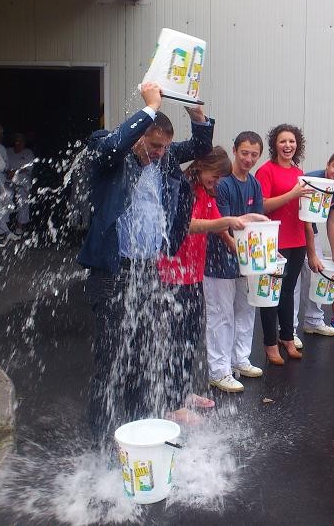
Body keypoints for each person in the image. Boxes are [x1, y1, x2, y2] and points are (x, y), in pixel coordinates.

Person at [78, 82, 214, 444]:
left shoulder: (164, 157)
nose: (160, 153)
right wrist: (151, 107)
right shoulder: (111, 152)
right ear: (138, 136)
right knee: (111, 361)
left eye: (165, 147)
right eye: (154, 145)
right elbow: (112, 146)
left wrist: (197, 114)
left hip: (148, 269)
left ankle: (138, 434)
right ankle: (102, 441)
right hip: (113, 272)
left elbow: (200, 148)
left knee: (141, 356)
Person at [158, 148, 266, 407]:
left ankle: (182, 392)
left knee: (190, 336)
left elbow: (221, 225)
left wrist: (242, 237)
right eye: (214, 176)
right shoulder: (185, 190)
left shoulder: (207, 193)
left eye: (219, 178)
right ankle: (171, 402)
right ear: (201, 165)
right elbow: (188, 224)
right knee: (176, 338)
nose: (216, 182)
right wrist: (227, 221)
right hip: (174, 273)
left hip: (194, 273)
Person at [203, 132, 268, 392]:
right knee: (221, 315)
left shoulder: (254, 184)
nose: (248, 159)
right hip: (219, 261)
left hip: (246, 261)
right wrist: (240, 251)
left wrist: (265, 255)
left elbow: (258, 223)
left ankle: (240, 359)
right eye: (244, 153)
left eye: (254, 154)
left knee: (246, 309)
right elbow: (222, 226)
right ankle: (219, 371)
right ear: (234, 150)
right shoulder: (223, 183)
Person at [255, 124, 319, 364]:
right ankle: (270, 344)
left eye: (291, 141)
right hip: (274, 241)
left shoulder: (299, 172)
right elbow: (262, 205)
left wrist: (311, 249)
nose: (288, 145)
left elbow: (305, 213)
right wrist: (291, 195)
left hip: (297, 240)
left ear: (297, 144)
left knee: (288, 292)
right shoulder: (266, 171)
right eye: (283, 141)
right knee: (271, 294)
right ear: (275, 144)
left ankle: (287, 338)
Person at [292, 151, 334, 340]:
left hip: (312, 231)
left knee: (316, 274)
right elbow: (305, 220)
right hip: (294, 231)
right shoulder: (312, 181)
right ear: (328, 164)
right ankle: (289, 329)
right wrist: (311, 254)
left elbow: (333, 221)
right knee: (294, 282)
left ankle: (313, 321)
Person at [0, 133, 35, 240]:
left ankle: (19, 226)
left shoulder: (28, 153)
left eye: (21, 141)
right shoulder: (8, 151)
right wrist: (8, 171)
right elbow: (3, 163)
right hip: (8, 181)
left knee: (23, 200)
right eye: (16, 141)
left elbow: (29, 167)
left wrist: (16, 171)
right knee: (6, 197)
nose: (18, 143)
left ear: (24, 142)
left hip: (22, 182)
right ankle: (3, 227)